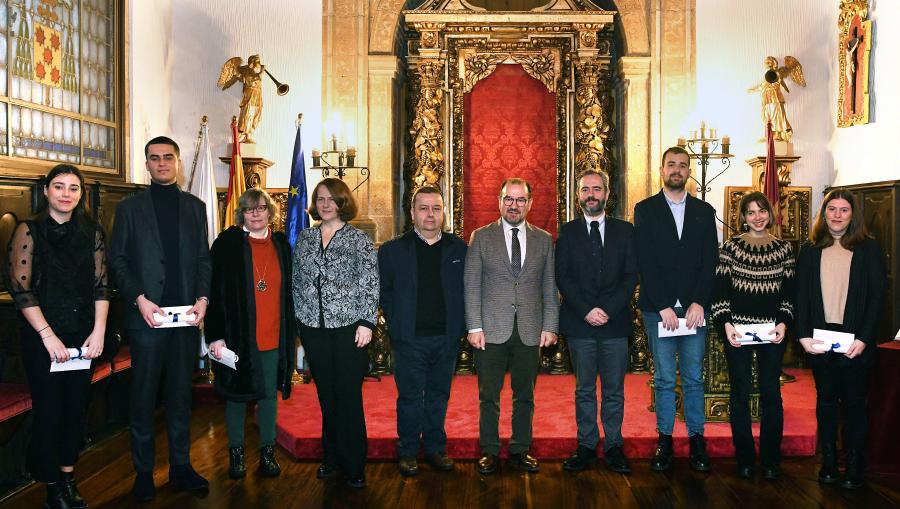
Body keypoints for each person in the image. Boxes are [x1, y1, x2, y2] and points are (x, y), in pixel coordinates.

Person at [109, 136, 212, 502]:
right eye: (155, 158)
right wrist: (139, 300)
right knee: (143, 396)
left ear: (178, 161)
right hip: (147, 318)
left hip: (184, 318)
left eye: (168, 157)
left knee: (181, 395)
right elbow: (117, 261)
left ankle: (181, 467)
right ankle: (142, 473)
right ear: (147, 163)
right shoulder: (129, 209)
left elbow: (203, 259)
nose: (162, 163)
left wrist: (203, 300)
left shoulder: (195, 207)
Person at [5, 165, 108, 509]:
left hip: (82, 338)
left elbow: (101, 286)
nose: (66, 193)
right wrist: (49, 337)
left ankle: (67, 476)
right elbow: (21, 290)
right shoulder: (29, 230)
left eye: (73, 188)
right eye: (59, 186)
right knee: (49, 410)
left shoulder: (91, 231)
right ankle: (51, 485)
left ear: (80, 194)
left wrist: (99, 332)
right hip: (42, 338)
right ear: (46, 190)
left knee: (75, 410)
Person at [464, 178, 559, 475]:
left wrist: (550, 325)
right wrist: (474, 326)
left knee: (525, 395)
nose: (514, 205)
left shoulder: (544, 239)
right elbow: (471, 284)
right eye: (509, 199)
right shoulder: (480, 237)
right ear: (499, 201)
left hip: (530, 330)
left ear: (529, 204)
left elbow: (549, 286)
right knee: (488, 395)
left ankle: (520, 449)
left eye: (520, 200)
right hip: (490, 329)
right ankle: (489, 451)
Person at [634, 146, 718, 472]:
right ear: (662, 169)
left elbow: (710, 260)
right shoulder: (645, 209)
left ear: (689, 171)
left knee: (695, 378)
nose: (677, 170)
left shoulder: (704, 210)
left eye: (683, 166)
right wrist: (664, 305)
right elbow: (645, 261)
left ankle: (697, 439)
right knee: (665, 378)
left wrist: (698, 301)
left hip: (695, 311)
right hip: (660, 311)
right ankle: (664, 440)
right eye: (671, 164)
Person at [795, 189, 885, 489]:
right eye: (831, 209)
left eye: (844, 210)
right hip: (820, 341)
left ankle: (854, 465)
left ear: (852, 215)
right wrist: (804, 336)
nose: (837, 215)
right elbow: (801, 297)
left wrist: (864, 338)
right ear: (824, 213)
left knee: (855, 404)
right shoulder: (810, 248)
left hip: (855, 342)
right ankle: (830, 462)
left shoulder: (869, 249)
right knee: (826, 402)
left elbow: (877, 298)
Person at [292, 178, 378, 489]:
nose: (326, 204)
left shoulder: (358, 239)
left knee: (348, 398)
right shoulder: (305, 237)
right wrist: (299, 321)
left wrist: (368, 323)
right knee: (326, 397)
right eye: (321, 199)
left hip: (350, 330)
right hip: (314, 330)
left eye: (332, 199)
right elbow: (297, 282)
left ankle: (354, 464)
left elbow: (370, 282)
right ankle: (331, 458)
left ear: (343, 203)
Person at [206, 188, 296, 480]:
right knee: (236, 396)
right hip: (237, 337)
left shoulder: (281, 244)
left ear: (271, 212)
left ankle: (267, 453)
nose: (255, 213)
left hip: (273, 334)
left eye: (260, 208)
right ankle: (236, 453)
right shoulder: (226, 244)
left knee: (269, 396)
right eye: (249, 209)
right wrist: (215, 336)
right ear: (240, 214)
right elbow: (214, 293)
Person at [378, 186, 466, 477]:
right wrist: (397, 322)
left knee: (440, 395)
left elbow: (468, 290)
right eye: (424, 208)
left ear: (443, 212)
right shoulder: (393, 251)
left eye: (436, 208)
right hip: (410, 339)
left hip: (447, 338)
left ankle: (434, 449)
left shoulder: (459, 249)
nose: (430, 214)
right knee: (410, 397)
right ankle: (407, 452)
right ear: (412, 212)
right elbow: (384, 293)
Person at [556, 170, 637, 474]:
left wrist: (608, 309)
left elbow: (631, 276)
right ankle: (587, 445)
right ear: (578, 196)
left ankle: (614, 445)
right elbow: (562, 275)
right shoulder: (567, 232)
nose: (591, 194)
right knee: (584, 390)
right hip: (580, 323)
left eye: (597, 189)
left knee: (615, 390)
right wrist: (588, 309)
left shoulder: (625, 231)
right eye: (585, 189)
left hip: (615, 324)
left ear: (607, 193)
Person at [710, 192, 795, 480]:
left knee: (772, 393)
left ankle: (771, 460)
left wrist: (783, 323)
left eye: (761, 211)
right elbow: (719, 293)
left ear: (770, 214)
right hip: (738, 333)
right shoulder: (730, 249)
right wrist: (726, 325)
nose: (757, 217)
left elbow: (789, 294)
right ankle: (744, 458)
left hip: (772, 334)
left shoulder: (784, 249)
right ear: (743, 217)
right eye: (750, 212)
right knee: (740, 393)